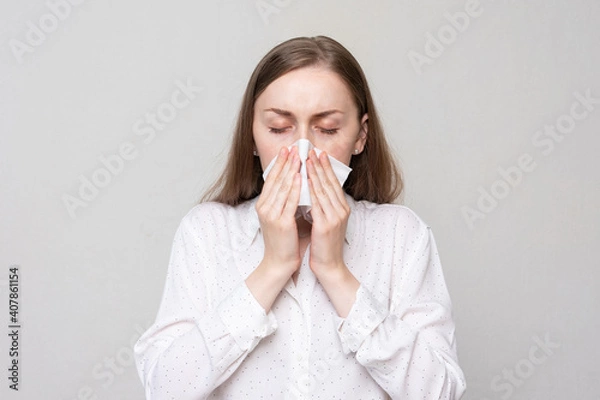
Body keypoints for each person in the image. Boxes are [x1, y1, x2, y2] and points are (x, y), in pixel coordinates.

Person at [134, 35, 466, 399]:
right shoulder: (207, 232)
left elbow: (440, 392)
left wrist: (336, 272)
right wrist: (273, 267)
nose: (302, 151)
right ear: (253, 134)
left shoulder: (401, 235)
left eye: (327, 129)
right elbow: (165, 388)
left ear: (360, 136)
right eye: (279, 128)